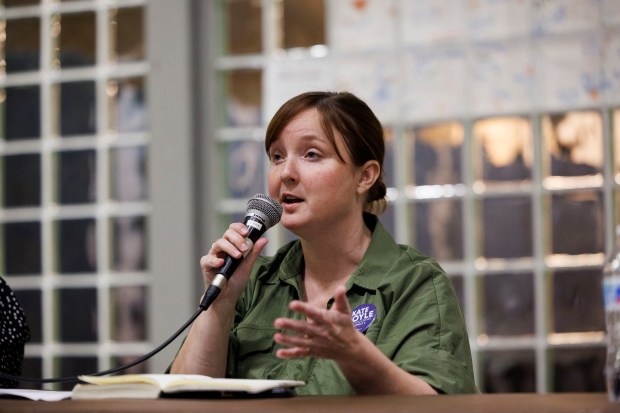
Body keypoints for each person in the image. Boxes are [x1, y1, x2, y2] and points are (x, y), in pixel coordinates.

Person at [170, 91, 477, 395]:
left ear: (364, 176)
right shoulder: (253, 281)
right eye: (277, 156)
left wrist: (357, 357)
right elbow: (183, 399)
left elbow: (437, 405)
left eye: (311, 154)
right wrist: (222, 304)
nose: (286, 173)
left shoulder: (414, 282)